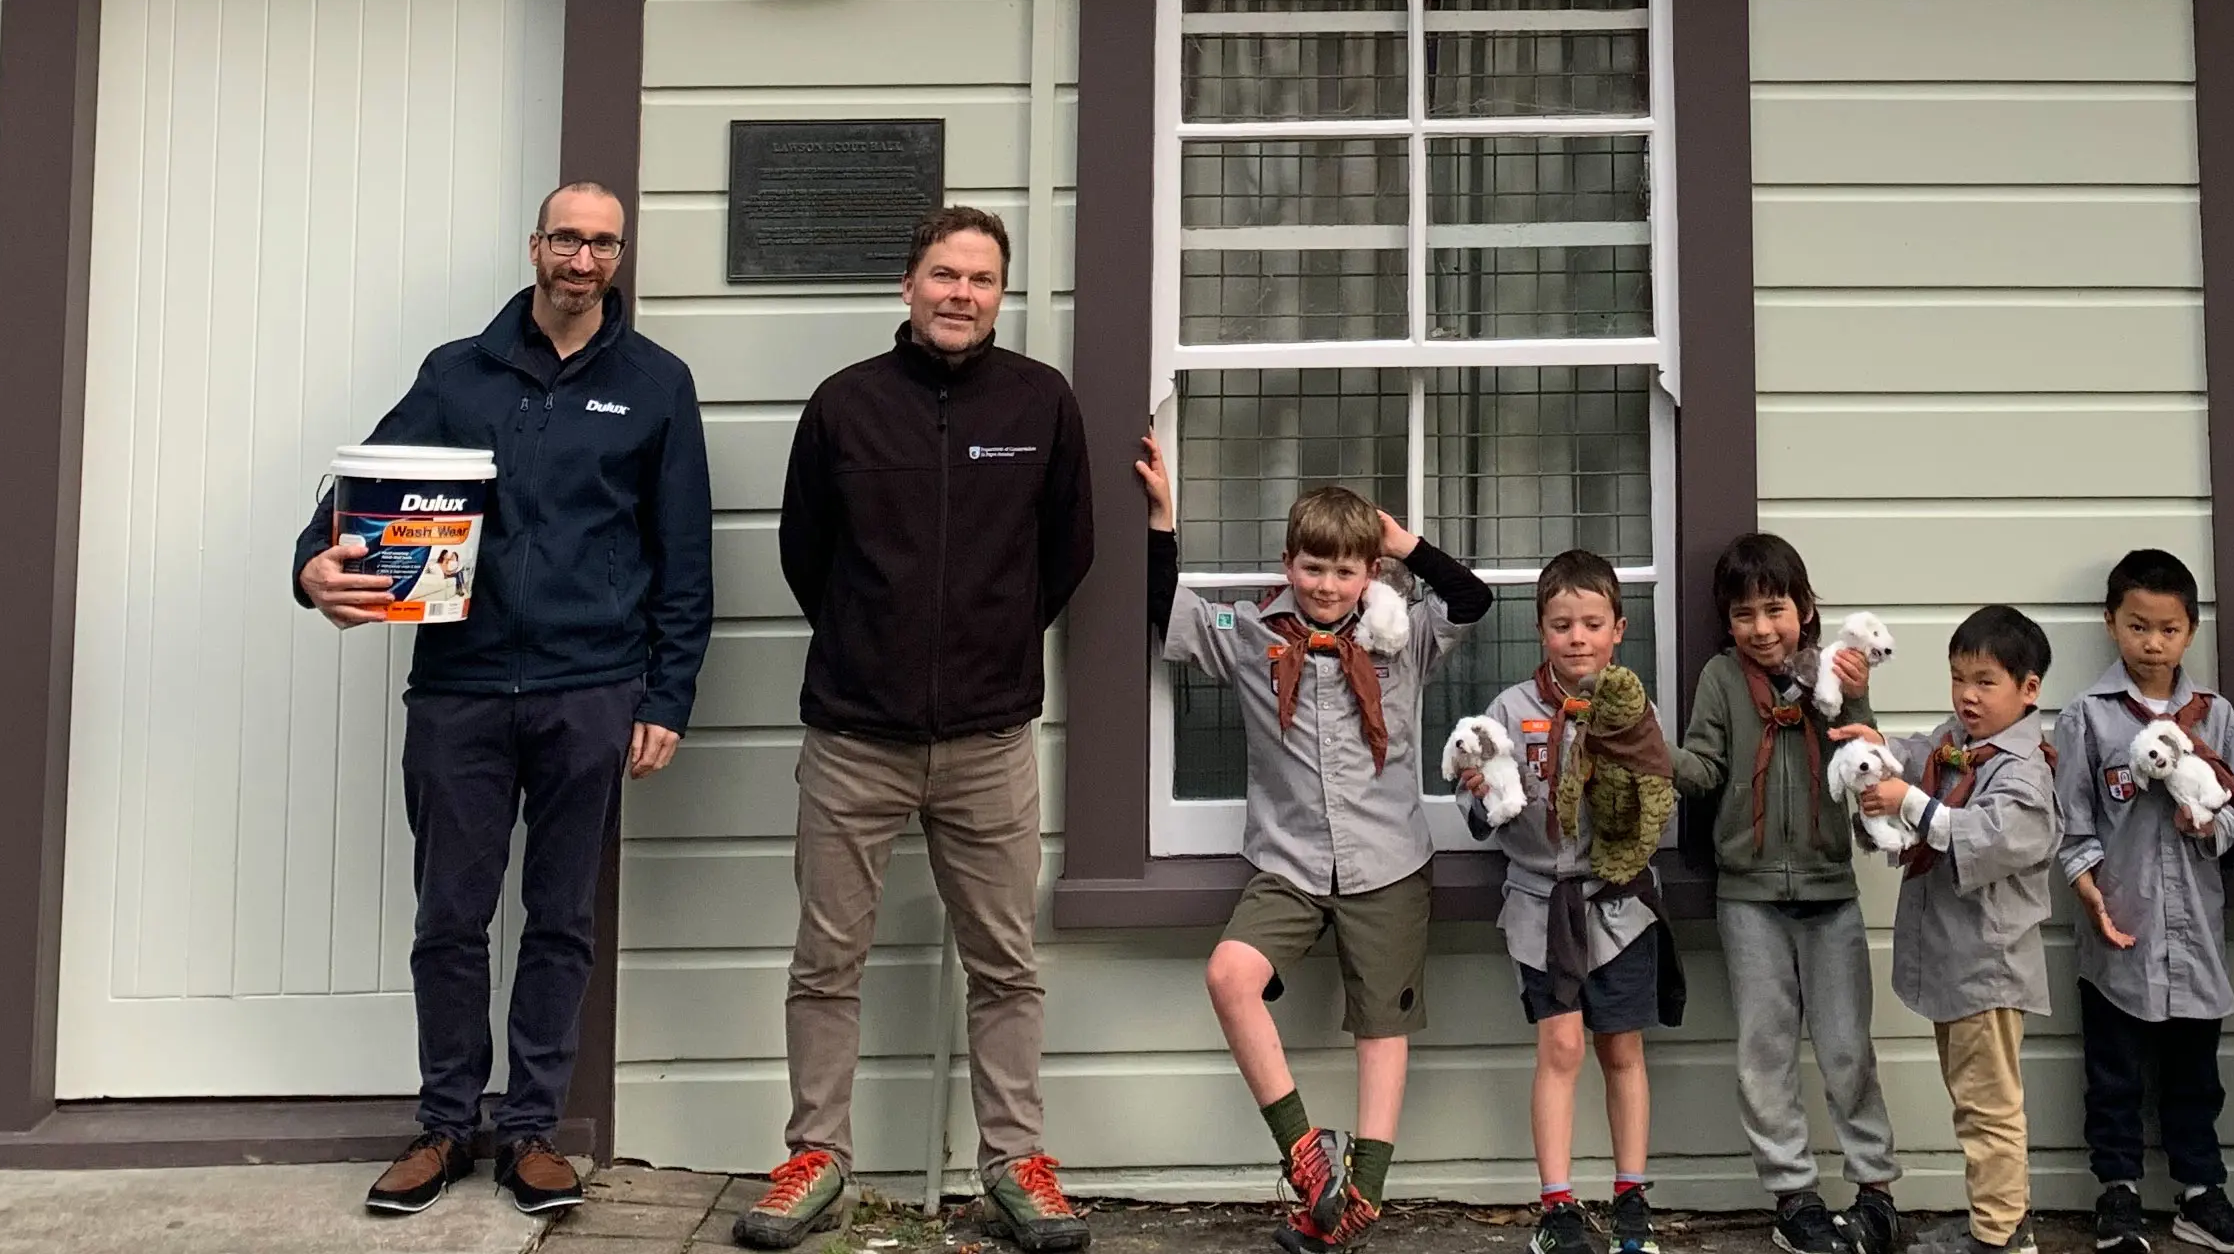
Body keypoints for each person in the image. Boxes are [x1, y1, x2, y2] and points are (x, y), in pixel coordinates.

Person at [293, 182, 713, 1221]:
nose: (583, 259)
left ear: (620, 258)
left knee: (561, 918)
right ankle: (444, 1124)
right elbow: (362, 492)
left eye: (603, 243)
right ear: (537, 245)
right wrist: (315, 567)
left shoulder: (656, 384)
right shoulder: (459, 373)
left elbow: (684, 557)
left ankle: (531, 1131)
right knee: (451, 918)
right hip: (461, 691)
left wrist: (667, 693)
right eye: (567, 238)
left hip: (591, 690)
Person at [732, 209, 1097, 1254]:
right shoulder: (847, 408)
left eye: (982, 278)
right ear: (909, 284)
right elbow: (810, 553)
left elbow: (1066, 552)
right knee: (825, 959)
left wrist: (984, 645)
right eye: (945, 273)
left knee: (1006, 963)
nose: (961, 293)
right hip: (855, 738)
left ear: (1001, 293)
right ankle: (816, 1158)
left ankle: (1016, 1162)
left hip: (989, 742)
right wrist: (874, 641)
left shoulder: (1040, 404)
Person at [1136, 438, 1495, 1254]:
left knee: (1380, 1028)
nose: (1327, 586)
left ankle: (1358, 1203)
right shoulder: (1252, 636)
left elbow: (1469, 599)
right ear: (1287, 563)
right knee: (1231, 974)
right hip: (1289, 864)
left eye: (1345, 571)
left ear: (1368, 574)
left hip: (1387, 861)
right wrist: (1164, 519)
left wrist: (1404, 545)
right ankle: (1307, 1159)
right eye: (1312, 568)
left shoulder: (1401, 640)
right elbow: (1166, 610)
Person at [1665, 533, 1901, 1254]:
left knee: (1845, 1047)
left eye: (1776, 609)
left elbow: (1867, 761)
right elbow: (1702, 769)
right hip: (1749, 895)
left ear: (1805, 607)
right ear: (1727, 622)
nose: (1763, 628)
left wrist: (1852, 692)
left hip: (1832, 889)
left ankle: (1875, 1189)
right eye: (1745, 614)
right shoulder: (1720, 680)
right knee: (1764, 1051)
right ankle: (1793, 1195)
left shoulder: (1836, 670)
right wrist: (1649, 749)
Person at [1460, 551, 1681, 1254]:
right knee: (1559, 1046)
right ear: (1540, 631)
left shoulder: (1632, 708)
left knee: (1621, 1046)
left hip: (1620, 905)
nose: (1577, 638)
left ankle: (1631, 1197)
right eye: (1562, 625)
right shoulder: (1508, 712)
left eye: (1592, 623)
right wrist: (1479, 797)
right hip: (1539, 903)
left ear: (1619, 629)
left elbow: (1658, 802)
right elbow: (1484, 812)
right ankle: (1556, 1207)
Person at [2053, 552, 2234, 1254]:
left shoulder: (2217, 716)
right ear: (2110, 623)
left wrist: (2213, 825)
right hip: (2118, 931)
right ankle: (2116, 1195)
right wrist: (2088, 887)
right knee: (2113, 1076)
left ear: (2191, 631)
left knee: (2193, 1076)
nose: (2152, 642)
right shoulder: (2088, 718)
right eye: (2137, 626)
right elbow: (2070, 821)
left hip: (2196, 937)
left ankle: (2200, 1193)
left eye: (2168, 629)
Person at [1834, 605, 2059, 1254]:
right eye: (1959, 677)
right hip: (1955, 963)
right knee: (1974, 1101)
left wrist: (1906, 800)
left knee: (1988, 1109)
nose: (1968, 694)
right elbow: (1913, 757)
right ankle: (1997, 1218)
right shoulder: (1957, 742)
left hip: (1987, 969)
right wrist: (1872, 749)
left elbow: (1977, 836)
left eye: (1986, 681)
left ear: (2029, 689)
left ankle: (2001, 1238)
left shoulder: (2023, 772)